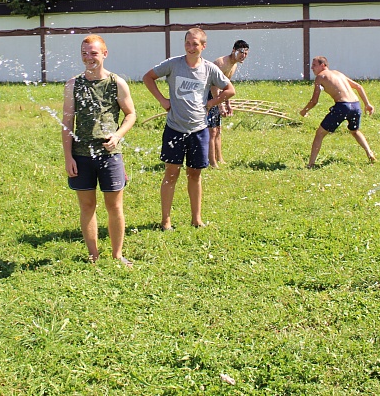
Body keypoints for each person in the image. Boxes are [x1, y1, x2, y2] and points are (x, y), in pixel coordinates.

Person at [143, 28, 235, 230]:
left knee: (195, 174)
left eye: (195, 44)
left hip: (199, 130)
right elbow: (148, 77)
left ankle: (196, 218)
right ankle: (166, 220)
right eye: (188, 43)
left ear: (203, 46)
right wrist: (162, 100)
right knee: (171, 174)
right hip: (174, 128)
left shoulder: (210, 69)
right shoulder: (173, 64)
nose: (191, 47)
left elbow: (230, 89)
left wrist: (213, 103)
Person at [62, 35, 137, 267]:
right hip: (81, 155)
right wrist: (68, 157)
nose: (88, 57)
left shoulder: (116, 83)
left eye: (93, 53)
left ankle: (117, 254)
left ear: (105, 54)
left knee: (114, 206)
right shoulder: (73, 84)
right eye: (84, 53)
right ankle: (93, 255)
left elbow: (131, 114)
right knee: (87, 206)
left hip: (109, 155)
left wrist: (117, 135)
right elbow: (67, 124)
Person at [299, 56, 376, 167]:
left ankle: (311, 164)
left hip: (342, 106)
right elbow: (358, 87)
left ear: (323, 65)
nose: (312, 68)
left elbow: (314, 101)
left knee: (320, 134)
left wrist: (304, 111)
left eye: (314, 65)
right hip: (355, 105)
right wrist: (367, 104)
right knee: (355, 131)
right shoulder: (338, 73)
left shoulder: (320, 77)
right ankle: (369, 153)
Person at [207, 40, 249, 168]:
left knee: (218, 130)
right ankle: (212, 162)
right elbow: (213, 87)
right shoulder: (221, 63)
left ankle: (219, 158)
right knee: (212, 132)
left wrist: (228, 104)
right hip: (208, 96)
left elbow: (226, 86)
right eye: (241, 52)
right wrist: (219, 105)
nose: (243, 55)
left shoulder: (234, 65)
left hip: (217, 96)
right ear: (233, 50)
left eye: (246, 53)